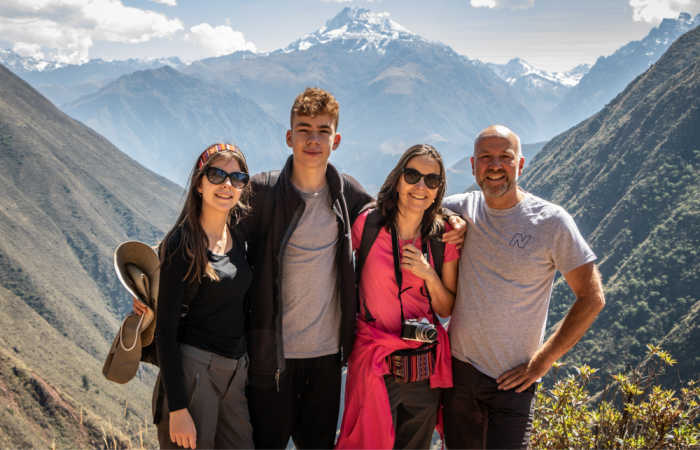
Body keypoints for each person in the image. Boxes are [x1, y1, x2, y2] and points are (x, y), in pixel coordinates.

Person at [241, 88, 466, 449]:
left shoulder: (347, 195)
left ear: (337, 140)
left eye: (323, 131)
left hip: (330, 361)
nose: (313, 140)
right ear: (289, 136)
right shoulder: (264, 193)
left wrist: (452, 224)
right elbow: (217, 238)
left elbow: (409, 210)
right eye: (304, 129)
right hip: (274, 360)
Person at [441, 125, 606, 449]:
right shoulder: (462, 208)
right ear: (473, 166)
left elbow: (592, 298)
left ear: (520, 164)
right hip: (458, 374)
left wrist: (542, 362)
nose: (495, 166)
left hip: (513, 384)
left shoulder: (551, 222)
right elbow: (409, 207)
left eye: (505, 157)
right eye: (486, 158)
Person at [336, 144, 459, 449]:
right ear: (398, 179)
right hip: (375, 365)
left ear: (439, 189)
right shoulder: (368, 225)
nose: (421, 186)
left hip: (421, 369)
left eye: (431, 180)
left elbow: (446, 308)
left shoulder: (443, 236)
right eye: (413, 175)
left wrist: (428, 273)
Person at [133, 143, 255, 449]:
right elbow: (165, 331)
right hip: (193, 374)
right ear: (199, 184)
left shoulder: (238, 236)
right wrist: (177, 408)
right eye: (216, 175)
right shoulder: (182, 245)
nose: (227, 185)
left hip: (235, 373)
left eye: (237, 178)